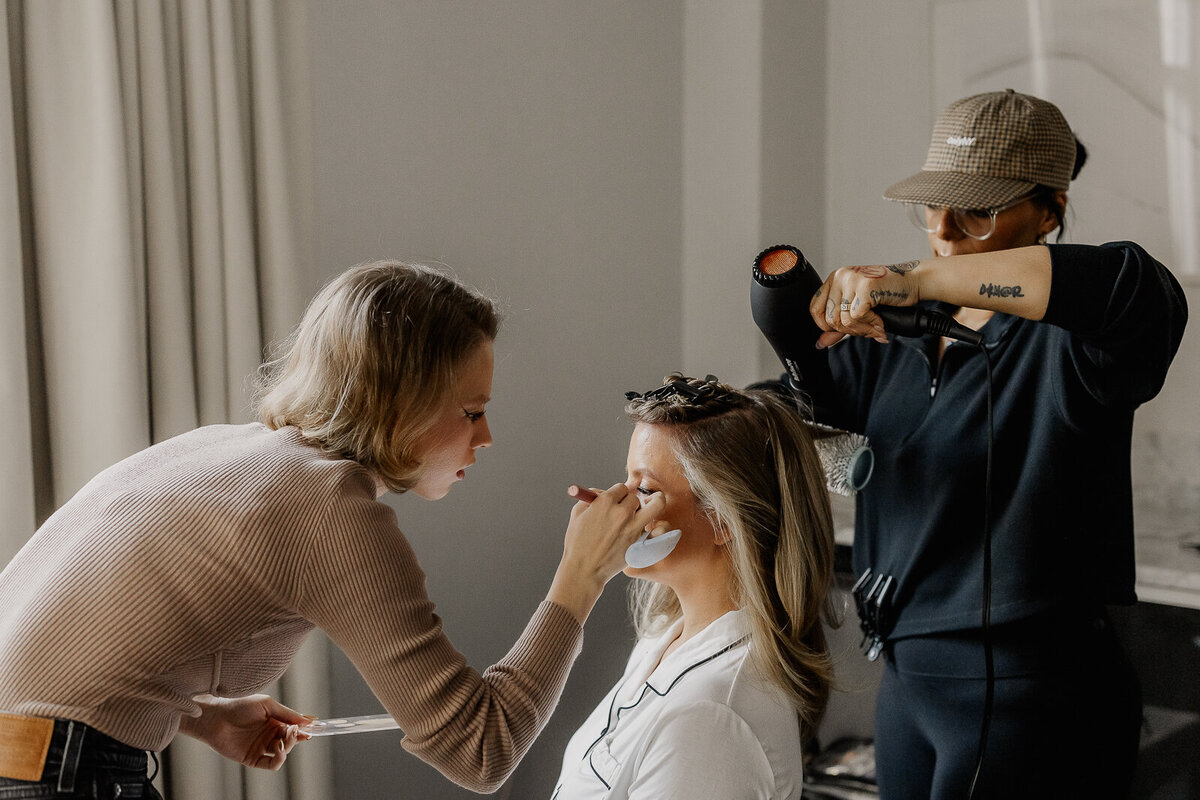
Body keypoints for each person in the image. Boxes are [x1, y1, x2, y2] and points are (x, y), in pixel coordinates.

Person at [0, 260, 664, 799]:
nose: (485, 438)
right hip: (50, 775)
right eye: (470, 411)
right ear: (400, 404)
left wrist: (203, 715)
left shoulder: (226, 452)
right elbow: (479, 748)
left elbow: (59, 653)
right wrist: (581, 576)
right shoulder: (322, 505)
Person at [798, 90, 1188, 798]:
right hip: (908, 679)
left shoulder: (1083, 335)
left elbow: (1132, 288)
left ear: (1050, 208)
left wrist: (911, 280)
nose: (942, 232)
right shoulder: (901, 333)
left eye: (975, 210)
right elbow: (811, 404)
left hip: (1031, 693)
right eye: (932, 206)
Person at [551, 373, 839, 800]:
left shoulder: (709, 719)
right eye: (626, 481)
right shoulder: (661, 640)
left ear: (723, 519)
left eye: (645, 489)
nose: (620, 503)